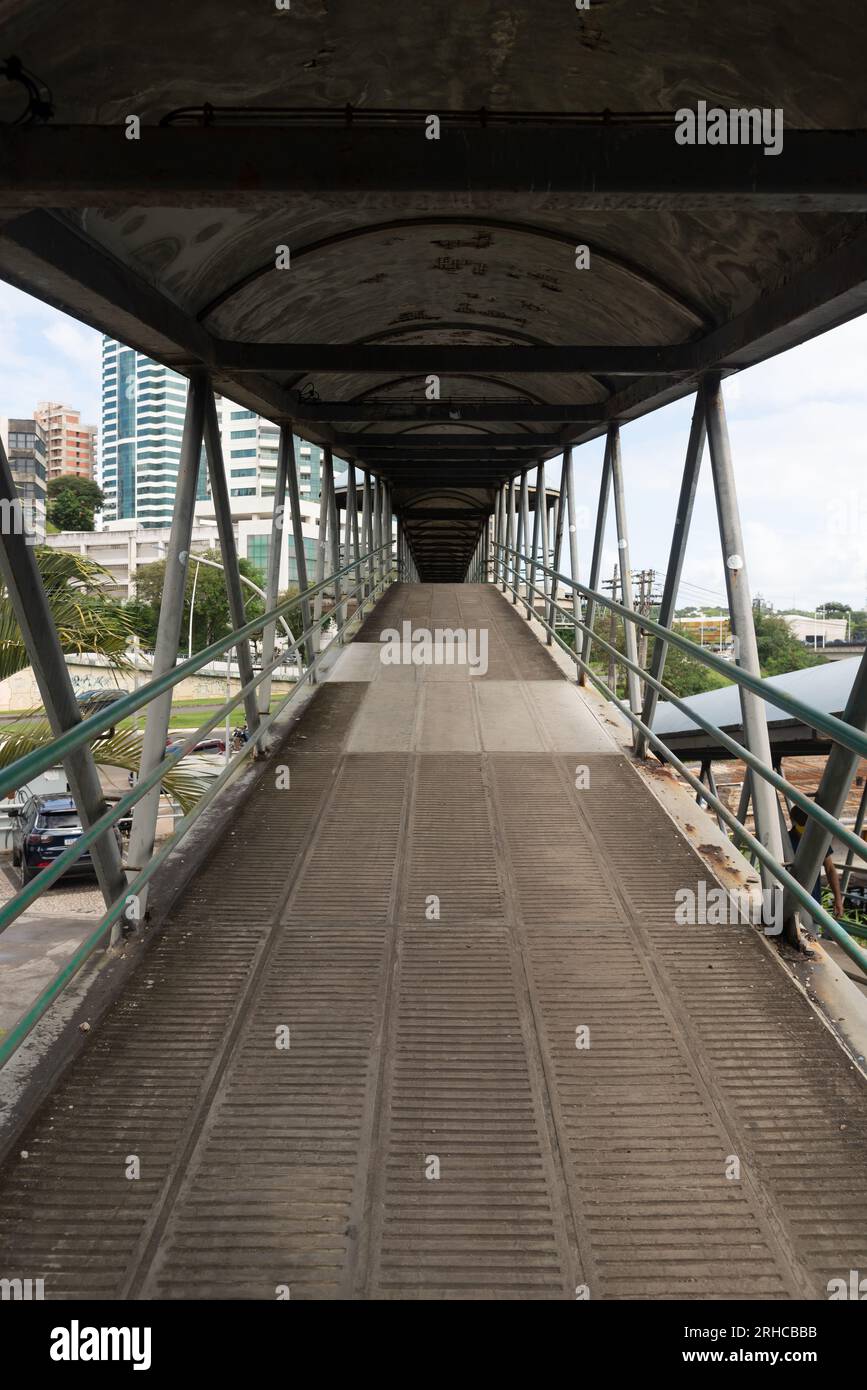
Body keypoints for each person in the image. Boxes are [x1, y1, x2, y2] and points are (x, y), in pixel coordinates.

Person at [788, 803, 844, 935]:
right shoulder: (785, 841)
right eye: (802, 829)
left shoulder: (817, 839)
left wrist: (838, 899)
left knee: (812, 937)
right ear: (793, 822)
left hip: (813, 900)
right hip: (789, 899)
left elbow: (830, 869)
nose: (804, 834)